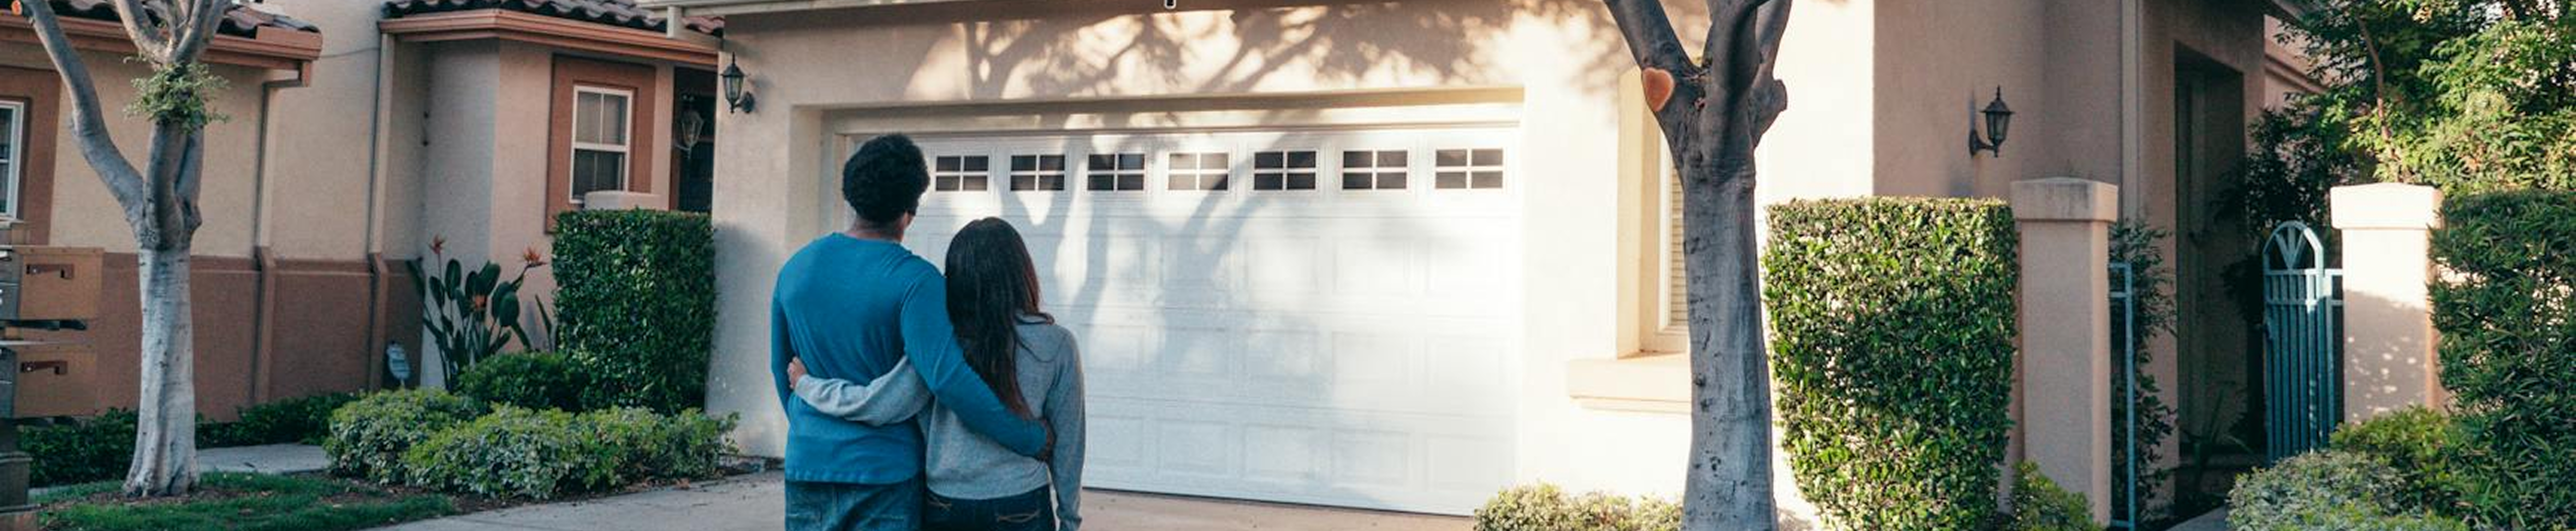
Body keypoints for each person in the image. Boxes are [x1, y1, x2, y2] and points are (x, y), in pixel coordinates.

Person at [771, 134, 1049, 531]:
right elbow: (948, 380)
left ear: (851, 197)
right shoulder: (916, 281)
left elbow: (781, 371)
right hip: (886, 472)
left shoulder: (796, 269)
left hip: (809, 462)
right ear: (910, 210)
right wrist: (1028, 439)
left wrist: (812, 432)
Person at [788, 217, 1087, 531]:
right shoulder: (1056, 344)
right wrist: (1069, 518)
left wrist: (808, 386)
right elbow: (1070, 443)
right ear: (1020, 272)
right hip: (1020, 500)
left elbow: (878, 404)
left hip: (946, 503)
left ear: (956, 279)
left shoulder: (939, 344)